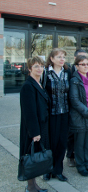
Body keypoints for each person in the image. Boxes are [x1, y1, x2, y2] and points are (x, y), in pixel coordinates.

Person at [20, 56, 50, 192]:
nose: (40, 69)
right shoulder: (28, 86)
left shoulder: (39, 83)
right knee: (31, 157)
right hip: (32, 129)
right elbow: (29, 112)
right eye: (36, 66)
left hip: (41, 126)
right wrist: (34, 132)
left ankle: (33, 186)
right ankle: (31, 187)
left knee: (36, 157)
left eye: (42, 66)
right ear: (29, 68)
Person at [43, 48, 71, 182]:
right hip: (51, 114)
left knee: (61, 143)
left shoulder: (67, 73)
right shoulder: (45, 74)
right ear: (52, 59)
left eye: (63, 57)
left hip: (64, 113)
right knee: (50, 142)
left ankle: (58, 170)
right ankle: (47, 170)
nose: (62, 59)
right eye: (59, 57)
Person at [66, 49, 88, 168]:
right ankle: (70, 156)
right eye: (81, 57)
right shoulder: (69, 71)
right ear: (75, 59)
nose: (83, 60)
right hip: (72, 107)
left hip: (84, 107)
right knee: (71, 134)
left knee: (84, 132)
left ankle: (82, 152)